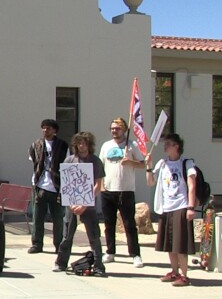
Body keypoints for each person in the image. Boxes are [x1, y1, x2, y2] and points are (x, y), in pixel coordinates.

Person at [146, 133, 197, 287]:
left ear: (177, 146)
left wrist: (191, 207)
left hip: (181, 206)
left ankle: (184, 274)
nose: (165, 146)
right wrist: (148, 166)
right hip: (166, 207)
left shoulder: (186, 163)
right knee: (169, 243)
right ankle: (174, 271)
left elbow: (191, 185)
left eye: (169, 143)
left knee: (180, 243)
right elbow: (150, 182)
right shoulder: (162, 163)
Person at [53, 132, 106, 276]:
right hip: (71, 206)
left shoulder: (95, 161)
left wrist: (84, 203)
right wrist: (71, 204)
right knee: (66, 236)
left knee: (94, 237)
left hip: (88, 207)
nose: (82, 146)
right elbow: (66, 185)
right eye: (79, 143)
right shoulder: (70, 161)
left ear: (89, 145)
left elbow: (98, 185)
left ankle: (98, 266)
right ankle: (61, 263)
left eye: (84, 143)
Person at [99, 117, 145, 268]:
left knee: (129, 224)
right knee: (108, 224)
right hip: (108, 190)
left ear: (124, 129)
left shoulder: (132, 145)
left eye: (117, 128)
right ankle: (110, 251)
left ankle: (135, 254)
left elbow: (143, 164)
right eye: (112, 128)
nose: (114, 131)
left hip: (125, 190)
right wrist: (100, 185)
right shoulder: (106, 146)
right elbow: (100, 167)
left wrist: (130, 162)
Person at [28, 119, 68, 254]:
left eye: (49, 128)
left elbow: (66, 165)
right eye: (44, 128)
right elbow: (33, 161)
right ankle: (37, 244)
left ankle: (58, 244)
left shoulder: (63, 146)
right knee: (38, 217)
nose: (46, 131)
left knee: (58, 218)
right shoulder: (36, 145)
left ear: (54, 130)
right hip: (40, 185)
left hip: (57, 186)